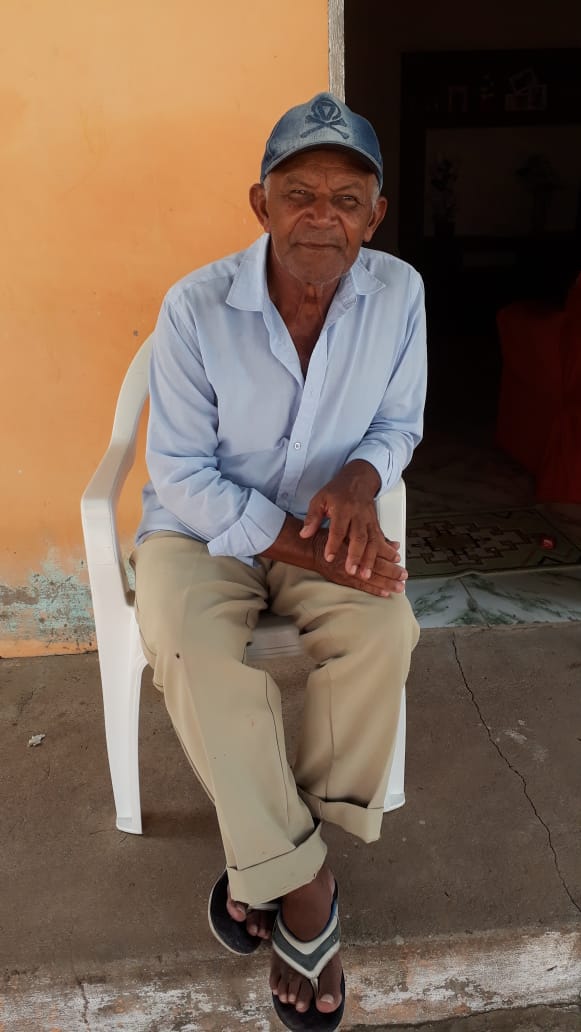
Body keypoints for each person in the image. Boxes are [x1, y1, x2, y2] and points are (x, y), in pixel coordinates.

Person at [132, 92, 426, 1030]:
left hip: (321, 520)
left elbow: (398, 423)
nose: (321, 218)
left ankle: (277, 845)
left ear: (374, 216)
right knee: (192, 648)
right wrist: (301, 544)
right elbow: (181, 472)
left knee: (384, 629)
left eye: (346, 200)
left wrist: (359, 480)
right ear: (260, 204)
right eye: (299, 194)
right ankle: (305, 885)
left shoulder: (400, 294)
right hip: (199, 530)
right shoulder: (195, 307)